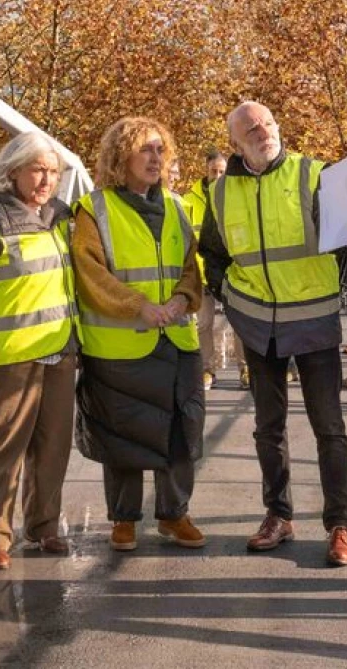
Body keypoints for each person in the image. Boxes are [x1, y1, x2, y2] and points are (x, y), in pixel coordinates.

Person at [199, 100, 347, 566]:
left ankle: (339, 525)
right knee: (267, 428)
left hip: (313, 320)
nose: (263, 132)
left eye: (269, 123)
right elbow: (212, 255)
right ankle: (278, 515)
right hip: (257, 323)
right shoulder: (219, 193)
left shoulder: (314, 174)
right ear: (236, 143)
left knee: (329, 428)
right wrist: (230, 297)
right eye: (252, 129)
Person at [72, 116, 206, 552]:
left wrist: (183, 299)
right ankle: (124, 519)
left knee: (181, 428)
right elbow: (90, 274)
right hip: (121, 342)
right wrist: (139, 307)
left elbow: (190, 267)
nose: (156, 158)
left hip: (176, 336)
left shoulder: (177, 205)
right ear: (120, 157)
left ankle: (174, 513)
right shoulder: (95, 209)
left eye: (160, 150)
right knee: (122, 431)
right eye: (145, 150)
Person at [0, 132, 78, 570]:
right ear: (12, 171)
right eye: (38, 170)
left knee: (54, 448)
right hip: (12, 357)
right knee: (4, 449)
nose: (47, 179)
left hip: (59, 350)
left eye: (53, 172)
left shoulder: (60, 217)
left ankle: (44, 526)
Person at [183, 150, 228, 390]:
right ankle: (207, 369)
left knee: (242, 324)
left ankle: (246, 368)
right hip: (202, 271)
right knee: (203, 324)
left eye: (222, 171)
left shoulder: (236, 195)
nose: (218, 176)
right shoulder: (189, 200)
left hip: (231, 270)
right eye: (214, 171)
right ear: (206, 170)